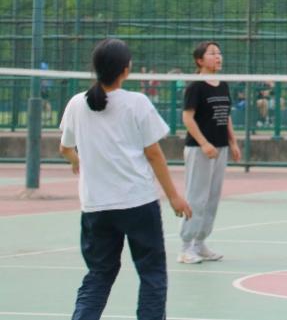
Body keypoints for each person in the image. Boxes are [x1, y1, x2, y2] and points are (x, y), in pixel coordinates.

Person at [59, 38, 192, 320]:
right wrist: (174, 196)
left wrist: (77, 161)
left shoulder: (76, 104)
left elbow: (65, 148)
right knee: (152, 273)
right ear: (126, 69)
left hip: (95, 206)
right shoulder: (137, 103)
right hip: (137, 202)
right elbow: (153, 154)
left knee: (99, 274)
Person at [178, 41, 241, 264]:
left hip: (220, 148)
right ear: (199, 60)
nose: (218, 57)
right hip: (200, 150)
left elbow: (226, 116)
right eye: (212, 53)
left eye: (219, 53)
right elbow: (187, 118)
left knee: (212, 199)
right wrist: (204, 143)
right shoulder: (195, 86)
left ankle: (200, 243)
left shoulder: (223, 85)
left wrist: (233, 142)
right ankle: (186, 247)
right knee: (196, 198)